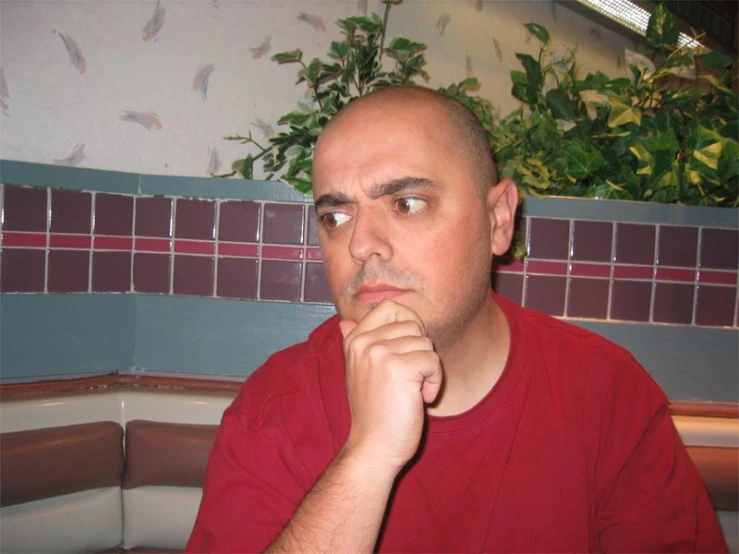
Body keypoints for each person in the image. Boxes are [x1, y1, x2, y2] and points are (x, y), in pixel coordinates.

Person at [186, 86, 727, 553]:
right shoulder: (275, 409)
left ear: (498, 221)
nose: (360, 245)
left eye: (407, 203)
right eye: (336, 216)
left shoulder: (605, 393)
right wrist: (368, 456)